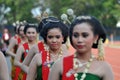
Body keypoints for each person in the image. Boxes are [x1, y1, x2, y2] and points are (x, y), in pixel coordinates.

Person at [48, 16, 114, 80]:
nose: (79, 40)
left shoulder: (104, 68)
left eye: (85, 35)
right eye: (75, 35)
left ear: (95, 38)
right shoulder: (59, 65)